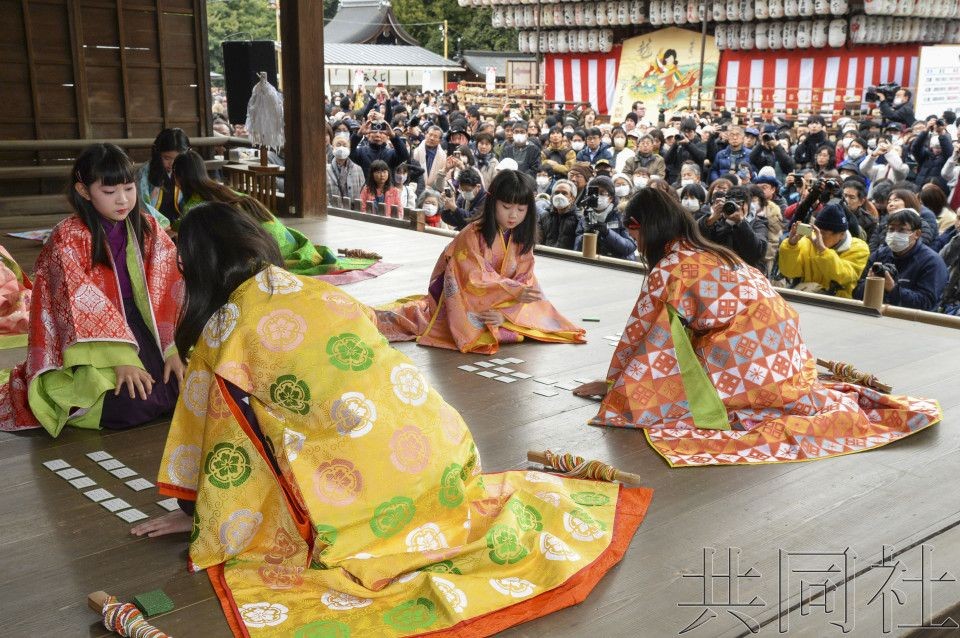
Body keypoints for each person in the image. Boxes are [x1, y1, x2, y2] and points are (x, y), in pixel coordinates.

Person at [133, 203, 649, 635]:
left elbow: (220, 434)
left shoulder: (226, 327)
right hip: (442, 453)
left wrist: (198, 511)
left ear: (196, 266)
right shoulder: (317, 290)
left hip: (360, 494)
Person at [571, 188, 940, 467]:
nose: (634, 241)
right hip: (787, 353)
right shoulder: (712, 251)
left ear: (646, 229)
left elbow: (642, 333)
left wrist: (615, 387)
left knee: (661, 374)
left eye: (634, 232)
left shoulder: (670, 266)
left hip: (746, 359)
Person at [0, 144, 182, 435]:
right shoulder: (68, 237)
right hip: (90, 342)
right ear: (84, 191)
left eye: (129, 189)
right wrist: (119, 360)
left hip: (144, 325)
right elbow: (75, 309)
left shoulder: (148, 227)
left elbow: (170, 287)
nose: (122, 200)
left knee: (181, 385)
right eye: (109, 192)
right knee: (133, 404)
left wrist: (173, 347)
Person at [375, 170, 586, 353]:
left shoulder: (522, 238)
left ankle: (503, 321)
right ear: (493, 202)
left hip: (500, 304)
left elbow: (526, 279)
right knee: (480, 331)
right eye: (506, 206)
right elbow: (471, 279)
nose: (514, 215)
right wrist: (511, 290)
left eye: (521, 210)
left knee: (526, 317)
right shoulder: (471, 234)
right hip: (464, 300)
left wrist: (505, 313)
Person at [174, 151, 371, 276]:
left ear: (178, 177)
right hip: (283, 237)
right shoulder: (221, 189)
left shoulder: (194, 206)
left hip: (267, 247)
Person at [854, 208, 948, 311]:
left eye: (902, 230)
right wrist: (870, 283)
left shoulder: (932, 262)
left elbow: (925, 304)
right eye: (891, 229)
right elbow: (856, 293)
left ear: (917, 234)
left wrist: (893, 289)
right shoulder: (880, 255)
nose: (895, 234)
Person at [778, 203, 869, 297]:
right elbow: (789, 272)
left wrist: (822, 250)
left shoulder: (859, 248)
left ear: (841, 234)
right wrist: (791, 246)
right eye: (816, 231)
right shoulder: (807, 241)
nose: (818, 236)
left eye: (823, 233)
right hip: (805, 298)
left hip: (837, 304)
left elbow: (843, 275)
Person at [696, 185, 768, 269]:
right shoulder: (716, 221)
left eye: (739, 204)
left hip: (747, 274)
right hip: (718, 272)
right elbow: (695, 238)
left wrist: (741, 223)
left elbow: (756, 253)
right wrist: (711, 219)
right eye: (733, 203)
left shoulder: (758, 224)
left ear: (748, 206)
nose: (736, 207)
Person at [574, 176, 638, 261]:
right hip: (594, 264)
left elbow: (630, 247)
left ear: (610, 198)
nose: (597, 197)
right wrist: (586, 236)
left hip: (619, 265)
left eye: (602, 193)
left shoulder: (622, 215)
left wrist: (608, 233)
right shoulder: (585, 217)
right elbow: (576, 249)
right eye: (594, 193)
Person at [138, 128, 188, 228]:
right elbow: (143, 205)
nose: (172, 163)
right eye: (166, 158)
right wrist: (164, 226)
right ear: (157, 153)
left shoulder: (187, 169)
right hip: (155, 226)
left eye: (177, 158)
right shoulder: (144, 173)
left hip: (181, 224)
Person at [538, 179, 580, 249]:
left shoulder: (578, 218)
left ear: (572, 198)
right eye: (557, 193)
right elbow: (538, 240)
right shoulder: (544, 216)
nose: (560, 196)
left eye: (564, 193)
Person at [327, 133, 366, 202]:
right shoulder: (326, 170)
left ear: (349, 149)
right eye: (338, 145)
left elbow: (362, 190)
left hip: (354, 209)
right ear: (333, 148)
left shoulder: (358, 169)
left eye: (345, 145)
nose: (342, 148)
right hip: (332, 209)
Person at [410, 125, 447, 192]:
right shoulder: (415, 152)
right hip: (416, 189)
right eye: (430, 135)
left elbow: (442, 178)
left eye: (435, 136)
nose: (432, 138)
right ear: (425, 135)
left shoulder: (443, 156)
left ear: (440, 140)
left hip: (434, 191)